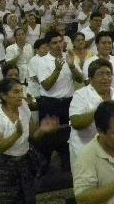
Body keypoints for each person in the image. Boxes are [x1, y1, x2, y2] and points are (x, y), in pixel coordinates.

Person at [36, 30, 83, 172]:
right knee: (47, 140)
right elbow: (46, 86)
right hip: (50, 104)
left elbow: (80, 79)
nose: (58, 45)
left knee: (68, 138)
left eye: (60, 42)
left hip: (68, 103)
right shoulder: (42, 61)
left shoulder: (70, 57)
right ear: (48, 46)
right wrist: (57, 70)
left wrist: (72, 66)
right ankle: (42, 171)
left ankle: (67, 170)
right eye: (54, 43)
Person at [69, 58, 114, 166]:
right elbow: (76, 123)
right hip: (85, 149)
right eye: (100, 74)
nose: (105, 78)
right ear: (91, 78)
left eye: (108, 74)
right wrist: (102, 108)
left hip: (113, 149)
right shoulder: (80, 95)